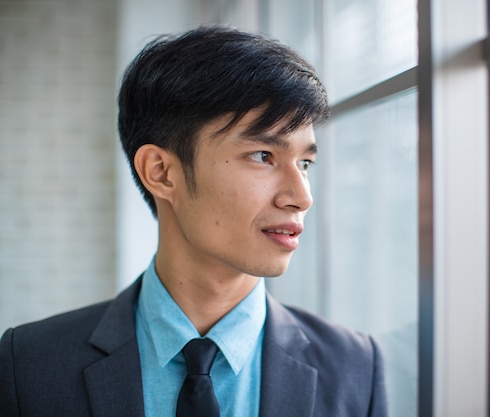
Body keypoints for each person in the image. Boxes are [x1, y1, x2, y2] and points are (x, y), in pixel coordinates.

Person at [0, 26, 388, 417]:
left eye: (305, 163)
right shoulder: (28, 366)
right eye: (262, 155)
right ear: (162, 172)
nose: (301, 196)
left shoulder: (355, 368)